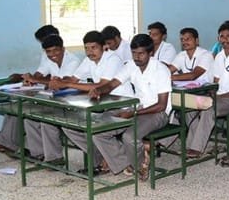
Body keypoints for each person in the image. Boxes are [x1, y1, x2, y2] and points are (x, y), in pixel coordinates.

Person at [63, 34, 171, 180]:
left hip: (157, 113)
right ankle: (125, 162)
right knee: (99, 131)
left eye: (141, 53)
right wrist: (99, 90)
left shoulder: (161, 70)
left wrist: (133, 113)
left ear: (150, 53)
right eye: (134, 53)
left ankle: (140, 167)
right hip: (136, 108)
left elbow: (161, 105)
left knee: (129, 137)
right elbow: (112, 84)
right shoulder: (131, 65)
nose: (137, 57)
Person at [27, 31, 128, 163]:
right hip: (101, 104)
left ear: (104, 47)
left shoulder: (112, 59)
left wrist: (66, 84)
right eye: (86, 48)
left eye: (94, 47)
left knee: (89, 126)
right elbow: (73, 78)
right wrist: (59, 81)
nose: (90, 52)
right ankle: (100, 156)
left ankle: (106, 158)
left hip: (121, 104)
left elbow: (102, 86)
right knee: (69, 126)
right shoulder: (88, 60)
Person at [0, 32, 80, 155]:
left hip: (70, 101)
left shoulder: (73, 61)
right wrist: (29, 79)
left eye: (56, 50)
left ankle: (45, 154)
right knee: (16, 109)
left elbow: (62, 83)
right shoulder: (49, 59)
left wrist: (35, 80)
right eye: (48, 52)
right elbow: (39, 74)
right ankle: (25, 150)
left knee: (33, 115)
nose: (52, 54)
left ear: (63, 49)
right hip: (52, 98)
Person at [186, 22, 229, 160]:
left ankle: (197, 147)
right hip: (219, 97)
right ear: (218, 38)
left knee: (208, 110)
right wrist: (209, 93)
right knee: (190, 107)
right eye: (222, 36)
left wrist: (224, 95)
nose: (225, 39)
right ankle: (194, 142)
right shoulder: (218, 57)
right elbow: (215, 82)